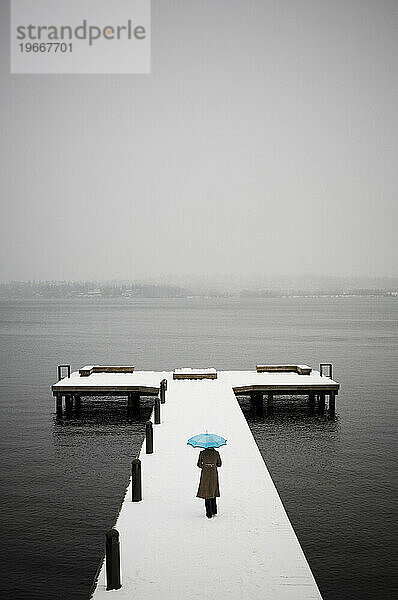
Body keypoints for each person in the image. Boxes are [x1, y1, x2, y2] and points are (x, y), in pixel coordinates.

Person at [196, 447, 222, 518]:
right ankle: (214, 510)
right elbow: (219, 464)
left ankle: (209, 513)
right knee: (213, 490)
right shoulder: (216, 453)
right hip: (213, 474)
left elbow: (199, 464)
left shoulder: (202, 453)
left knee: (206, 491)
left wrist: (205, 465)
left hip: (205, 474)